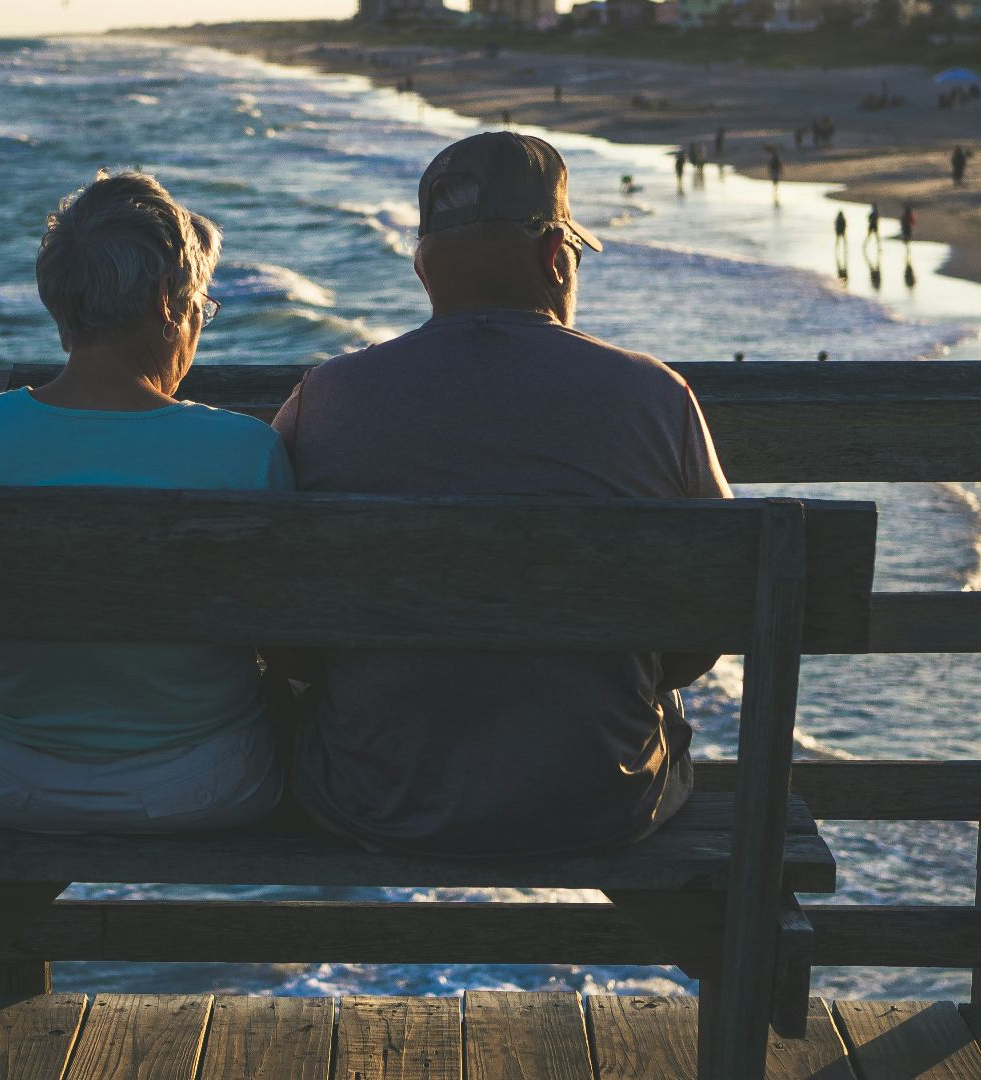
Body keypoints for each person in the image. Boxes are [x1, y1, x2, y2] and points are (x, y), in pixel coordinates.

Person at [271, 131, 731, 857]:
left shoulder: (322, 398)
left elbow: (276, 616)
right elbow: (718, 609)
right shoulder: (655, 396)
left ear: (424, 269)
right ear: (556, 258)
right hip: (601, 802)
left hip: (376, 798)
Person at [0, 171, 290, 835]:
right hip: (203, 786)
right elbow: (292, 642)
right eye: (201, 305)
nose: (199, 324)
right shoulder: (243, 451)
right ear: (164, 304)